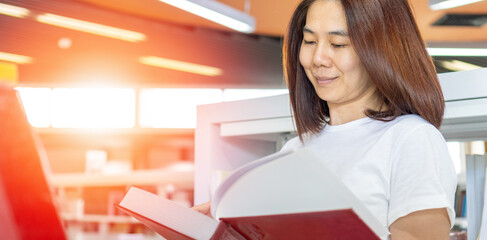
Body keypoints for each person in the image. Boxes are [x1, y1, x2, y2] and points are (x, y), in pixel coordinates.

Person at [195, 0, 457, 239]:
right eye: (309, 42)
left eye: (338, 44)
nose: (318, 58)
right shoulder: (295, 150)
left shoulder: (412, 140)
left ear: (382, 51)